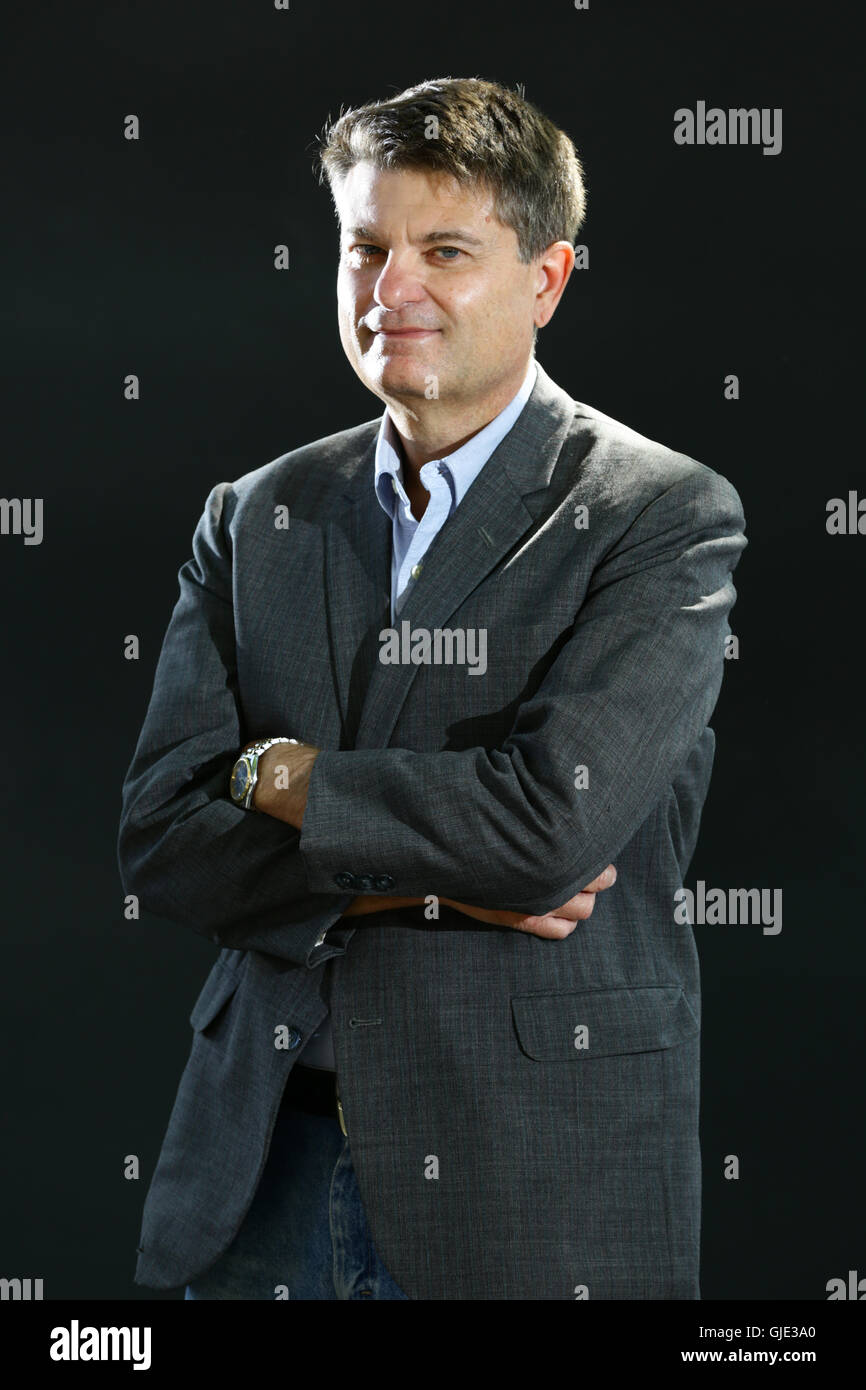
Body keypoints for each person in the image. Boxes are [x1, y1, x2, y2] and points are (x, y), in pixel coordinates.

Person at [118, 76, 747, 1301]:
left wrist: (278, 774)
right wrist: (419, 878)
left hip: (531, 1189)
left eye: (442, 249)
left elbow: (543, 829)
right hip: (263, 1174)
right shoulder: (254, 518)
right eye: (364, 248)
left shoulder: (661, 518)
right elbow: (159, 836)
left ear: (546, 278)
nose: (386, 288)